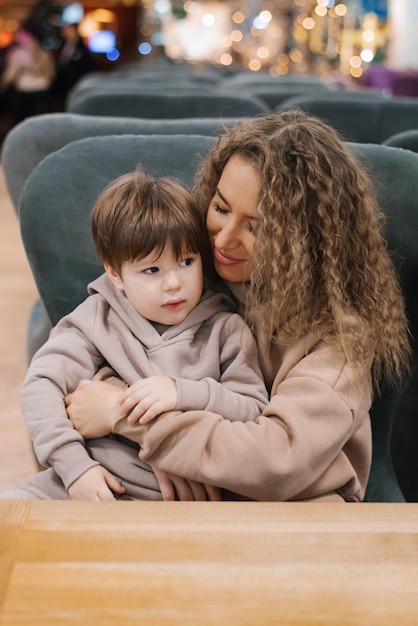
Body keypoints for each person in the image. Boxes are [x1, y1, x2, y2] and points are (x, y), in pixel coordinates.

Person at [66, 109, 412, 503]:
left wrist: (130, 421)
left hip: (299, 516)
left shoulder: (337, 341)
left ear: (307, 242)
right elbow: (101, 361)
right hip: (175, 501)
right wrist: (139, 433)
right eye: (221, 208)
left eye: (257, 227)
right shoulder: (192, 275)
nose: (223, 241)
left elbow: (274, 460)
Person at [0, 168, 267, 501]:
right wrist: (75, 468)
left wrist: (182, 393)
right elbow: (41, 385)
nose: (174, 283)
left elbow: (253, 409)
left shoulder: (227, 329)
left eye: (186, 262)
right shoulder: (97, 318)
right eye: (152, 270)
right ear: (115, 274)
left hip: (195, 499)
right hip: (96, 483)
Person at [0, 24, 55, 126]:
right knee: (41, 123)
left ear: (27, 35)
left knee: (21, 124)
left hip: (24, 92)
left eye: (20, 34)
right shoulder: (44, 52)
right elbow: (51, 74)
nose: (17, 37)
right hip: (43, 91)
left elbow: (9, 76)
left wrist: (3, 85)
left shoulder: (17, 53)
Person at [53, 22, 94, 110]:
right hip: (63, 86)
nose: (64, 32)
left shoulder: (82, 48)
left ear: (74, 31)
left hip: (76, 85)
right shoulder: (63, 45)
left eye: (67, 30)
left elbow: (87, 66)